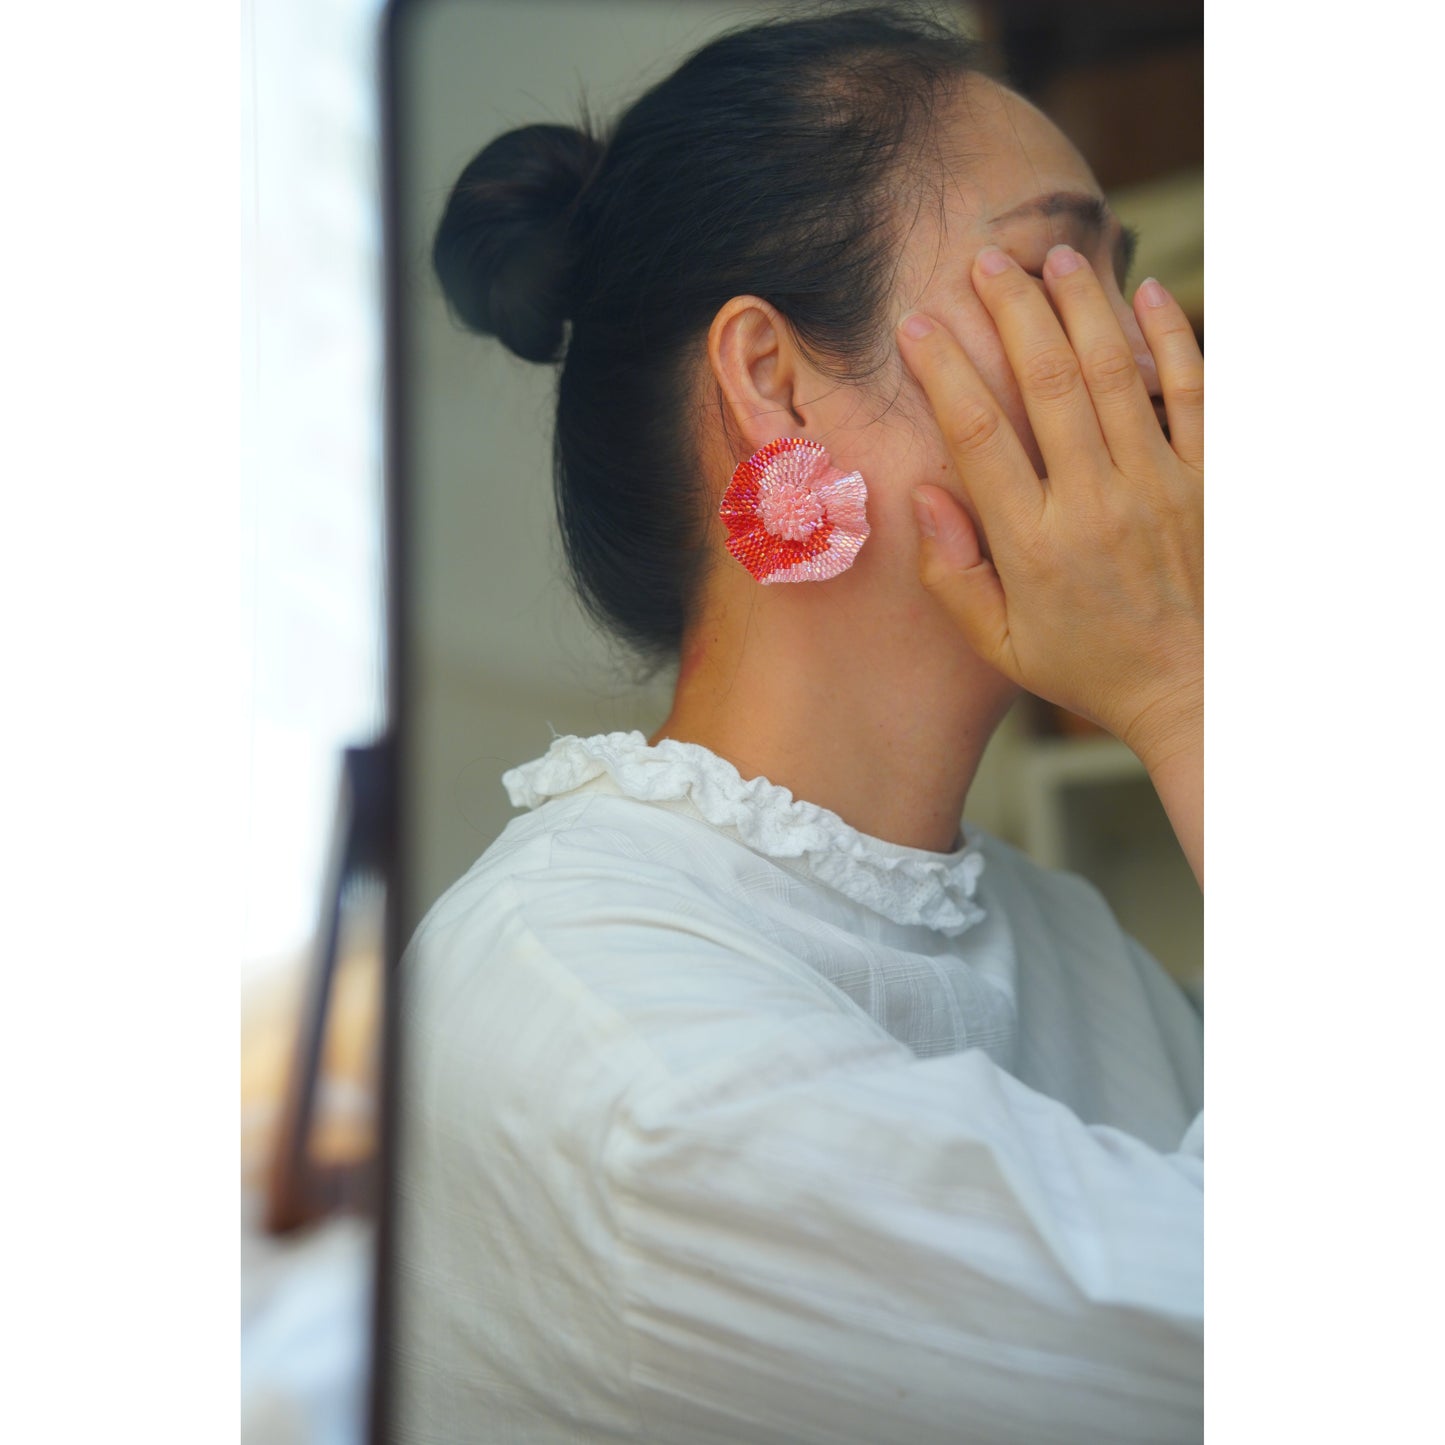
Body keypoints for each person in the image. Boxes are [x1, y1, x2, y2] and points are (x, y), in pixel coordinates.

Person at [394, 7, 1204, 1443]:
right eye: (1057, 276)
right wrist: (1202, 694)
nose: (1147, 365)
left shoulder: (1067, 938)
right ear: (770, 382)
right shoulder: (590, 1026)